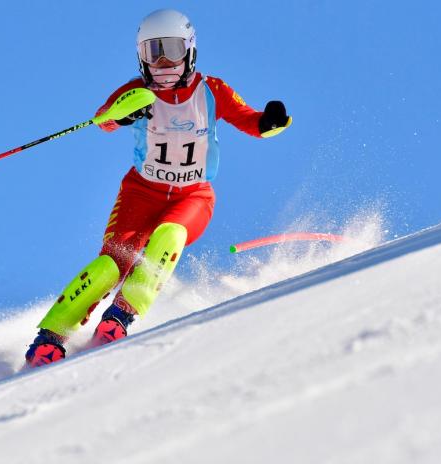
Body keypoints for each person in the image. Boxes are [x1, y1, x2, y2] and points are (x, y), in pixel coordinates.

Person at [25, 9, 291, 367]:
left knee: (169, 236)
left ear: (190, 52)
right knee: (110, 264)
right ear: (142, 57)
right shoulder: (138, 93)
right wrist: (120, 115)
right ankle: (50, 337)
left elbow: (251, 121)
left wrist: (271, 121)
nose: (164, 61)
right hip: (140, 193)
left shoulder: (212, 91)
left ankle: (121, 315)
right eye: (154, 52)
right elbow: (105, 118)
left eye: (173, 50)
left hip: (193, 195)